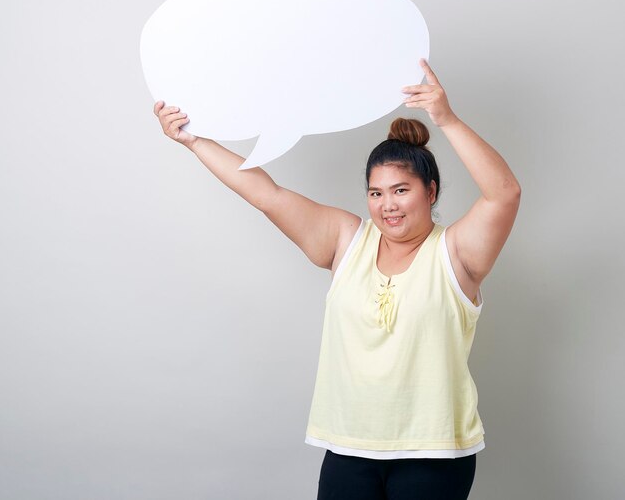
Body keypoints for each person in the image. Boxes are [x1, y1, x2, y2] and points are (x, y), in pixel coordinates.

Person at [153, 58, 521, 500]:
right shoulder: (347, 240)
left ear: (431, 192)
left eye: (401, 190)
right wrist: (193, 141)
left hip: (436, 454)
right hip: (349, 450)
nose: (388, 205)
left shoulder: (457, 252)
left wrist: (446, 119)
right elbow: (266, 194)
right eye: (376, 192)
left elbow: (505, 193)